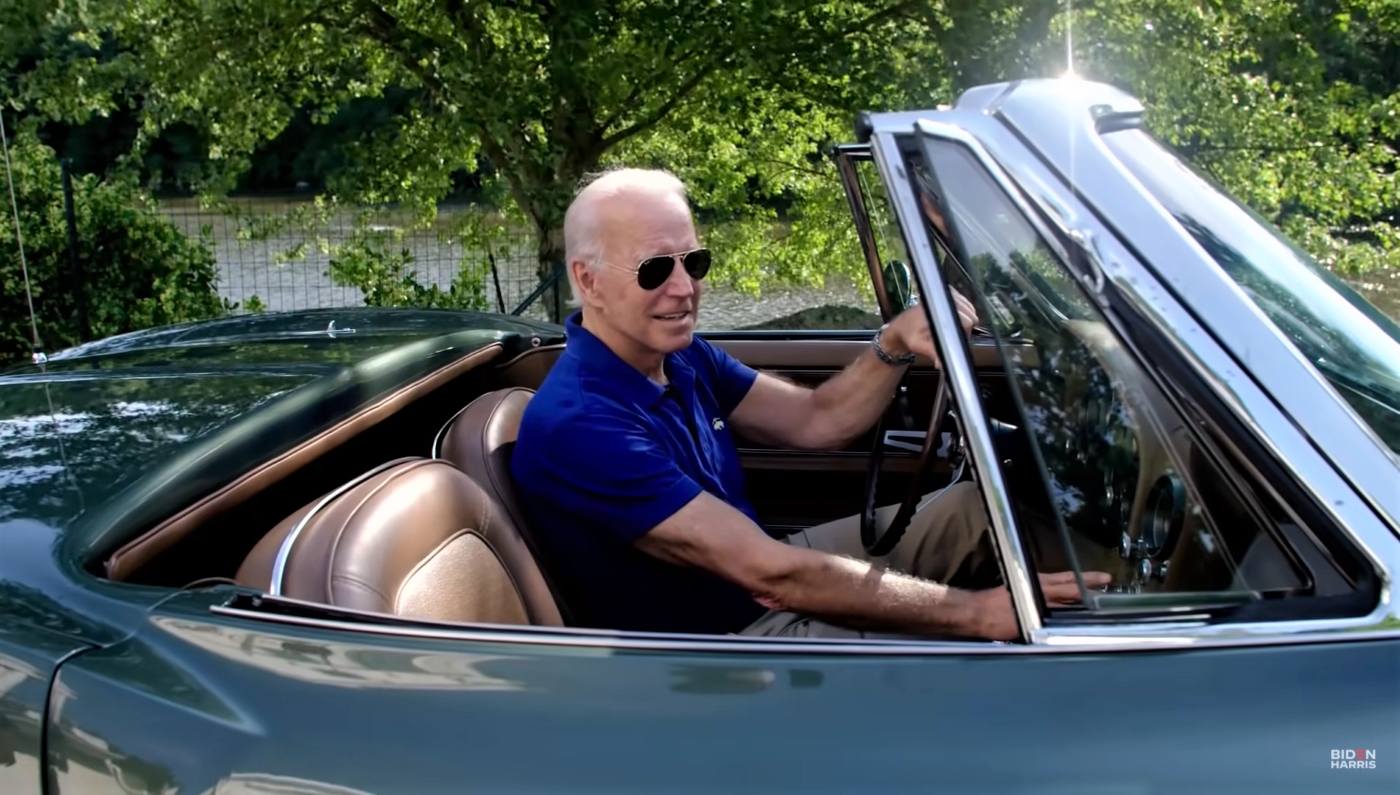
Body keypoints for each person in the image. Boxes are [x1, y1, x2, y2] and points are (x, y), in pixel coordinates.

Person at [511, 167, 1106, 641]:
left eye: (695, 262)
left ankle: (1130, 600)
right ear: (587, 281)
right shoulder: (582, 423)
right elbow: (772, 574)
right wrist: (979, 614)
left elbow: (817, 420)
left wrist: (895, 343)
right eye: (655, 270)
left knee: (976, 511)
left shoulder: (682, 356)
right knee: (976, 650)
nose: (685, 288)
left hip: (753, 578)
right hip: (724, 641)